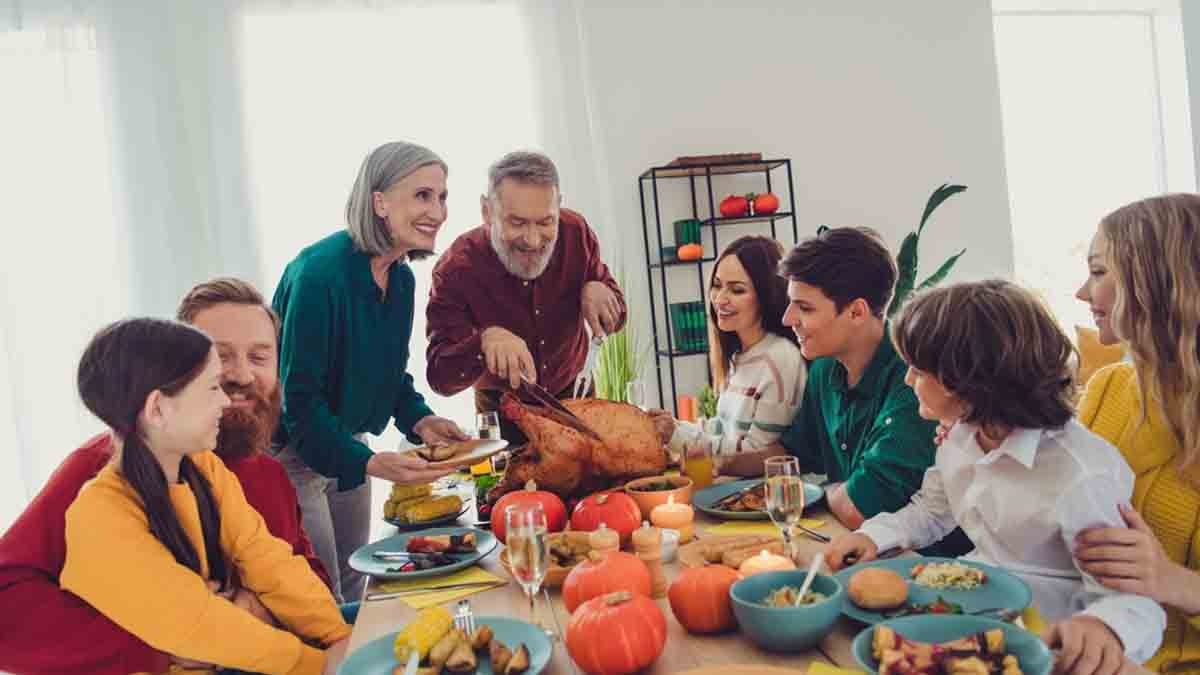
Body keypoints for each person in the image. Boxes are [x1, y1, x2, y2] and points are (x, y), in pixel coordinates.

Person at [826, 279, 1166, 673]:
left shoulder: (1081, 475)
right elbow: (932, 512)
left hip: (1050, 650)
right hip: (973, 619)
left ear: (965, 382)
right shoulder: (961, 433)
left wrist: (1102, 627)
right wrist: (873, 535)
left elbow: (1138, 601)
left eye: (918, 371)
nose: (907, 381)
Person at [0, 277, 334, 675]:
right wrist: (155, 644)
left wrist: (319, 632)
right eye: (219, 361)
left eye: (259, 357)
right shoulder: (96, 481)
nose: (240, 378)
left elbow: (289, 568)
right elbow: (9, 607)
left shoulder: (252, 471)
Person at [273, 141, 465, 603]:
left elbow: (388, 372)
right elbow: (298, 403)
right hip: (293, 456)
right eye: (422, 195)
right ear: (379, 201)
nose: (437, 211)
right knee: (324, 598)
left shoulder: (400, 278)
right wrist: (370, 463)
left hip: (347, 443)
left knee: (359, 586)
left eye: (441, 197)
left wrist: (420, 419)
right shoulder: (318, 275)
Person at [767, 227, 970, 555]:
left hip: (921, 565)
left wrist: (824, 491)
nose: (788, 319)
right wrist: (718, 462)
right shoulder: (823, 369)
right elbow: (794, 453)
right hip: (859, 545)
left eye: (804, 308)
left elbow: (859, 509)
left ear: (857, 312)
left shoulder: (916, 382)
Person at [1073, 193, 1200, 673]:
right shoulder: (1107, 388)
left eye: (1100, 272)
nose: (1083, 293)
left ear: (1158, 282)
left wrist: (1170, 580)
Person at [425, 151, 626, 441]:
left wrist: (600, 291)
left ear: (559, 207)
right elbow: (440, 377)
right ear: (486, 211)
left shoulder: (577, 234)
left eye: (546, 223)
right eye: (517, 223)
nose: (533, 240)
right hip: (502, 416)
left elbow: (616, 317)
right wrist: (483, 341)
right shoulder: (456, 268)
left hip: (577, 400)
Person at [648, 235, 805, 476]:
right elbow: (723, 430)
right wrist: (674, 426)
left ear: (766, 295)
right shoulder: (740, 356)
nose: (720, 299)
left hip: (765, 495)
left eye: (737, 290)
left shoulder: (779, 359)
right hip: (734, 488)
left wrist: (678, 435)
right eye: (717, 285)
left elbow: (758, 454)